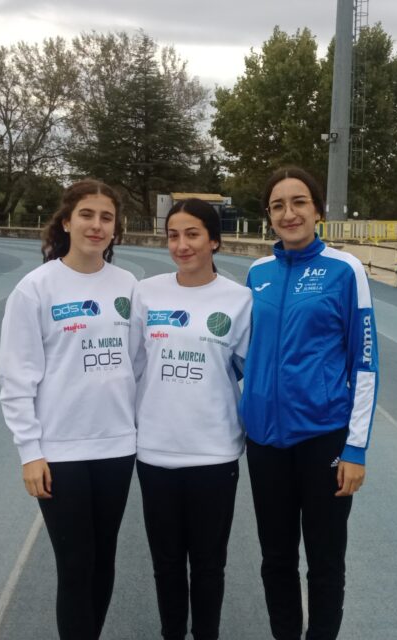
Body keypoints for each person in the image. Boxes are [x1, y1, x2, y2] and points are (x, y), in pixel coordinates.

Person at [240, 167, 379, 640]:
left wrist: (356, 449)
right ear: (269, 217)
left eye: (299, 202)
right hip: (264, 443)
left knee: (324, 561)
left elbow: (365, 363)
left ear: (317, 210)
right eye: (278, 205)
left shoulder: (345, 270)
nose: (289, 213)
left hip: (324, 440)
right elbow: (244, 354)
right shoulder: (257, 273)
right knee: (275, 559)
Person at [0, 179, 137, 639]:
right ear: (66, 221)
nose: (96, 226)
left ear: (115, 228)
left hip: (118, 448)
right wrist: (30, 451)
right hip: (61, 452)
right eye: (87, 215)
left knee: (104, 561)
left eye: (106, 218)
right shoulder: (36, 288)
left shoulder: (128, 287)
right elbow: (16, 378)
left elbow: (137, 365)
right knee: (75, 566)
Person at [131, 198, 253, 640]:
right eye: (173, 235)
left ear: (214, 240)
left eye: (193, 234)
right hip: (155, 452)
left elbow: (249, 373)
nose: (182, 245)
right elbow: (133, 367)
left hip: (214, 454)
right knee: (165, 564)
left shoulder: (240, 301)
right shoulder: (147, 293)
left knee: (208, 564)